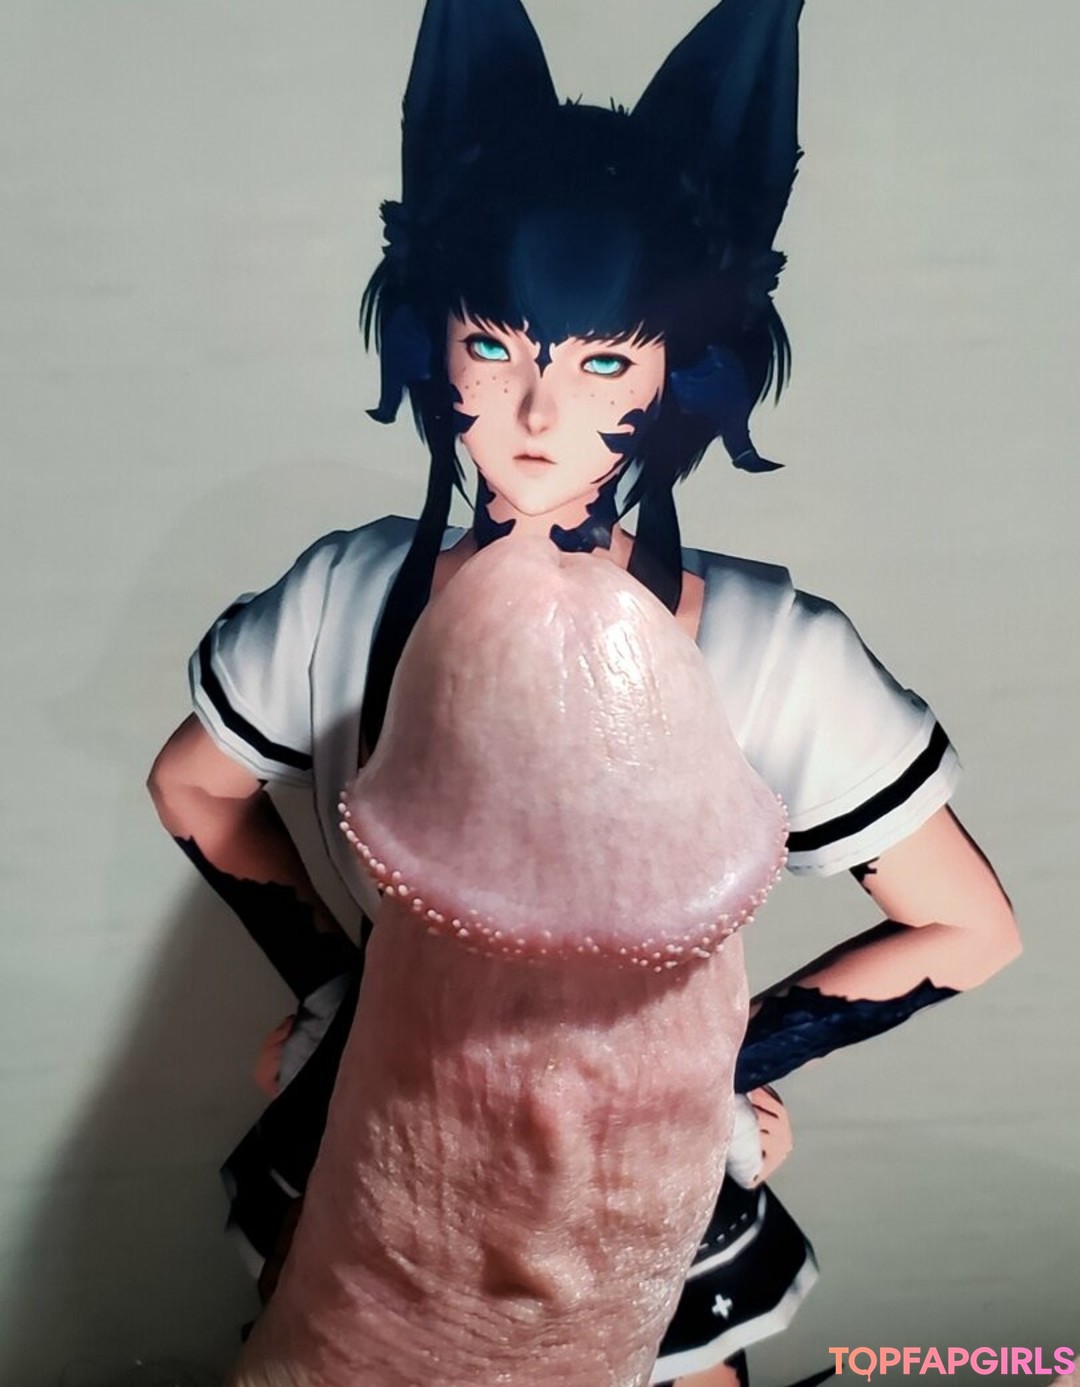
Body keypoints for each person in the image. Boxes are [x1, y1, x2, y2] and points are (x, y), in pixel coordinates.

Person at [147, 2, 1021, 1384]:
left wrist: (714, 1065)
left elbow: (966, 927)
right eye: (497, 347)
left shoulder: (774, 649)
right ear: (436, 339)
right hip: (382, 1137)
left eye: (603, 360)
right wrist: (340, 996)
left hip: (641, 1187)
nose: (541, 415)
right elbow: (194, 786)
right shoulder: (347, 596)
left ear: (686, 368)